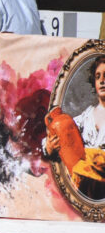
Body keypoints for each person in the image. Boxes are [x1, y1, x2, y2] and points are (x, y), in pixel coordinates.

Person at [45, 56, 105, 198]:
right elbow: (62, 131)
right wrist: (49, 146)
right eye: (98, 77)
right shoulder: (87, 116)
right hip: (84, 187)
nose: (102, 81)